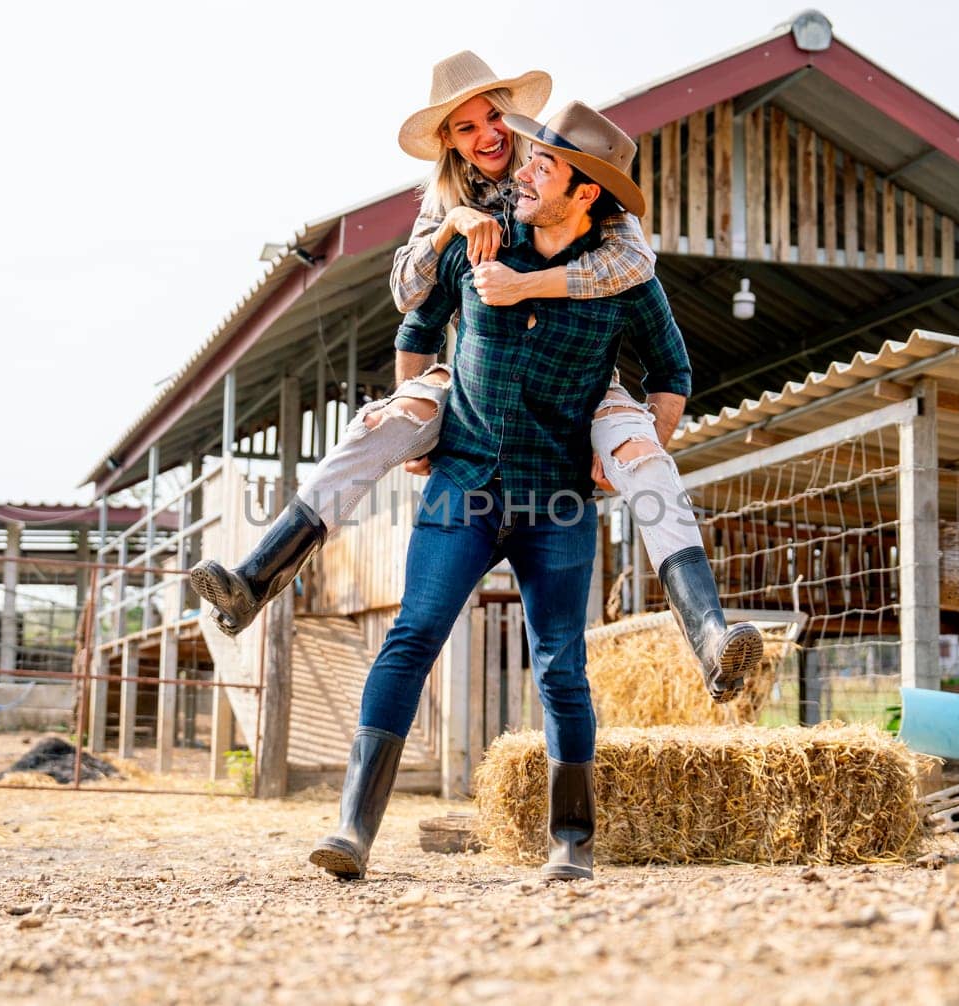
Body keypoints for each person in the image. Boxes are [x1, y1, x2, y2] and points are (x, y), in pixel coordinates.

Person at [190, 51, 761, 704]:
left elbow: (633, 267)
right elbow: (411, 306)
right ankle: (255, 580)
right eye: (466, 127)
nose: (487, 134)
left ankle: (710, 637)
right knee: (372, 430)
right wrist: (452, 229)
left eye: (494, 116)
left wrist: (528, 284)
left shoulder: (573, 175)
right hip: (481, 395)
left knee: (646, 467)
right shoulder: (447, 209)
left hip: (581, 390)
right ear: (448, 143)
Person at [311, 101, 715, 883]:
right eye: (518, 156)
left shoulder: (615, 263)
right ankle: (352, 829)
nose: (516, 163)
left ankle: (573, 841)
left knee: (561, 664)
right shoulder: (474, 236)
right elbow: (414, 322)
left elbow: (672, 368)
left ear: (582, 188)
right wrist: (417, 421)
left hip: (557, 497)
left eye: (540, 161)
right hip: (463, 482)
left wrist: (635, 450)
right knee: (413, 635)